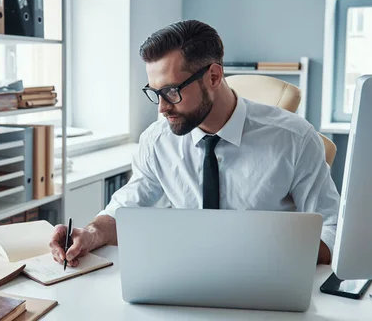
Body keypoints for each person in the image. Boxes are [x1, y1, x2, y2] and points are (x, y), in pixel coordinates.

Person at [50, 20, 340, 266]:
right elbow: (126, 207)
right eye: (155, 92)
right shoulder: (157, 140)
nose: (162, 107)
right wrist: (89, 233)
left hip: (267, 280)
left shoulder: (295, 139)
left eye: (172, 91)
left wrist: (263, 251)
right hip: (186, 278)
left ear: (213, 76)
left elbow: (331, 231)